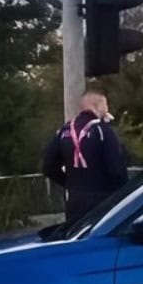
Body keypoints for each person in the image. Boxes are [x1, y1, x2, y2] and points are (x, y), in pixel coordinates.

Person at [41, 90, 129, 222]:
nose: (107, 109)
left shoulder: (64, 131)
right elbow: (117, 170)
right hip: (103, 201)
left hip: (74, 202)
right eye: (105, 105)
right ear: (95, 106)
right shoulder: (102, 131)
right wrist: (123, 193)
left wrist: (70, 183)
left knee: (77, 234)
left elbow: (48, 167)